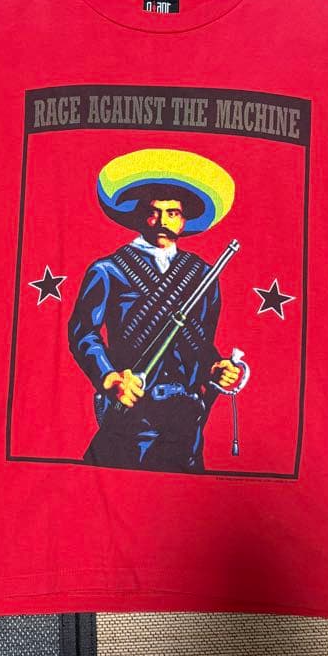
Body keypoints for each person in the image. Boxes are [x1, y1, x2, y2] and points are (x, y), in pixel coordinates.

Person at [67, 149, 240, 473]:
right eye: (153, 212)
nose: (162, 221)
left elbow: (200, 345)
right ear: (138, 214)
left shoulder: (204, 275)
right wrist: (109, 377)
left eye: (172, 212)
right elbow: (84, 333)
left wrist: (216, 367)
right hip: (131, 413)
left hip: (186, 421)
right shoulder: (108, 270)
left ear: (185, 219)